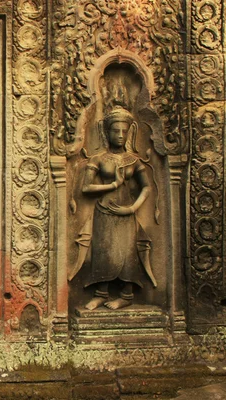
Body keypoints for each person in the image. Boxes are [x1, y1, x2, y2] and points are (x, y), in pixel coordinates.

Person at [69, 106, 157, 310]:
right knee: (104, 251)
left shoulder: (133, 161)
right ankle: (101, 293)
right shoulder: (99, 159)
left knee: (127, 253)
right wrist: (113, 185)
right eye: (115, 131)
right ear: (106, 132)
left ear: (129, 133)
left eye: (123, 131)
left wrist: (132, 208)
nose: (119, 135)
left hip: (127, 213)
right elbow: (86, 187)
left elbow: (146, 187)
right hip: (104, 211)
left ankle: (127, 294)